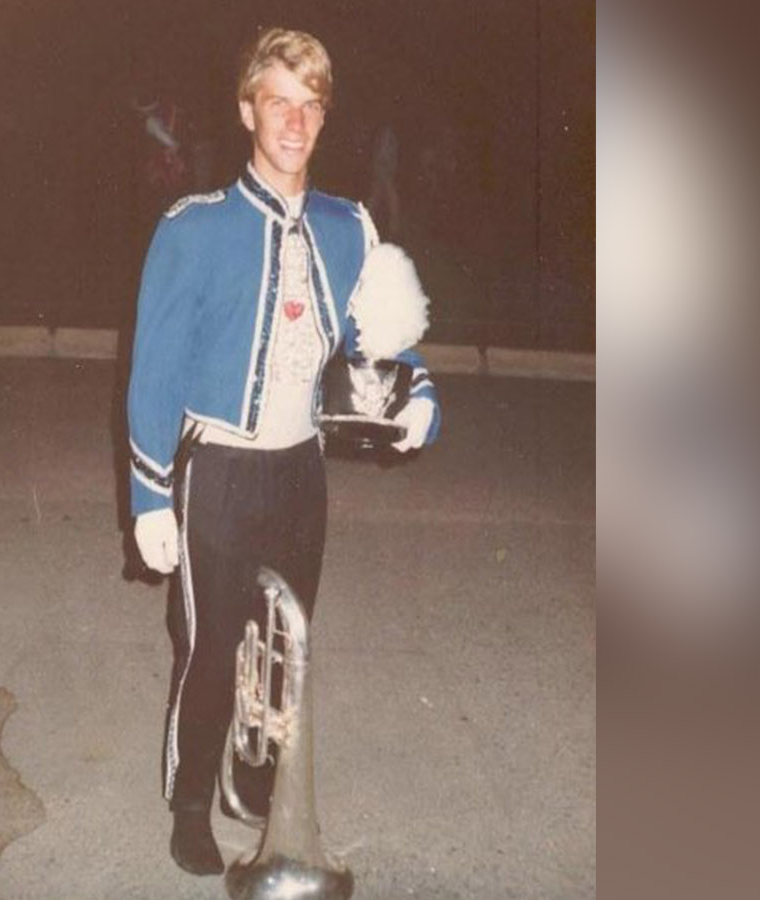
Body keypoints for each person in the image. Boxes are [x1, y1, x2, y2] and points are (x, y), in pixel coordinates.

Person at [125, 27, 442, 876]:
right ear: (246, 111)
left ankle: (257, 789)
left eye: (311, 105)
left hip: (301, 471)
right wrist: (150, 494)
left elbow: (386, 337)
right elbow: (153, 367)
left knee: (283, 643)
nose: (295, 121)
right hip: (219, 471)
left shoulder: (350, 225)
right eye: (278, 101)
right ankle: (192, 802)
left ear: (324, 118)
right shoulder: (194, 228)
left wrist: (419, 398)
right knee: (211, 647)